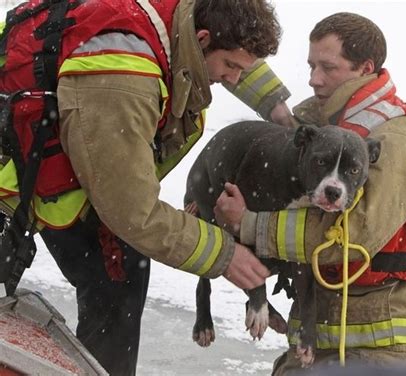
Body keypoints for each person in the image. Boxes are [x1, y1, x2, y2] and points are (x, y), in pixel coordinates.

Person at [0, 0, 294, 374]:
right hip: (22, 177)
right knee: (116, 286)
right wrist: (225, 255)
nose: (233, 78)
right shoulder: (122, 76)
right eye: (231, 68)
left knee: (121, 284)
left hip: (77, 164)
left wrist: (279, 109)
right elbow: (133, 210)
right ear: (201, 40)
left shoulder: (187, 19)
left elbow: (231, 45)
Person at [214, 12, 406, 373]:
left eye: (328, 67)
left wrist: (249, 226)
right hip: (326, 337)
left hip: (380, 341)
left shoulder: (399, 139)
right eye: (310, 66)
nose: (313, 79)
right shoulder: (330, 130)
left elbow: (352, 236)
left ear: (365, 67)